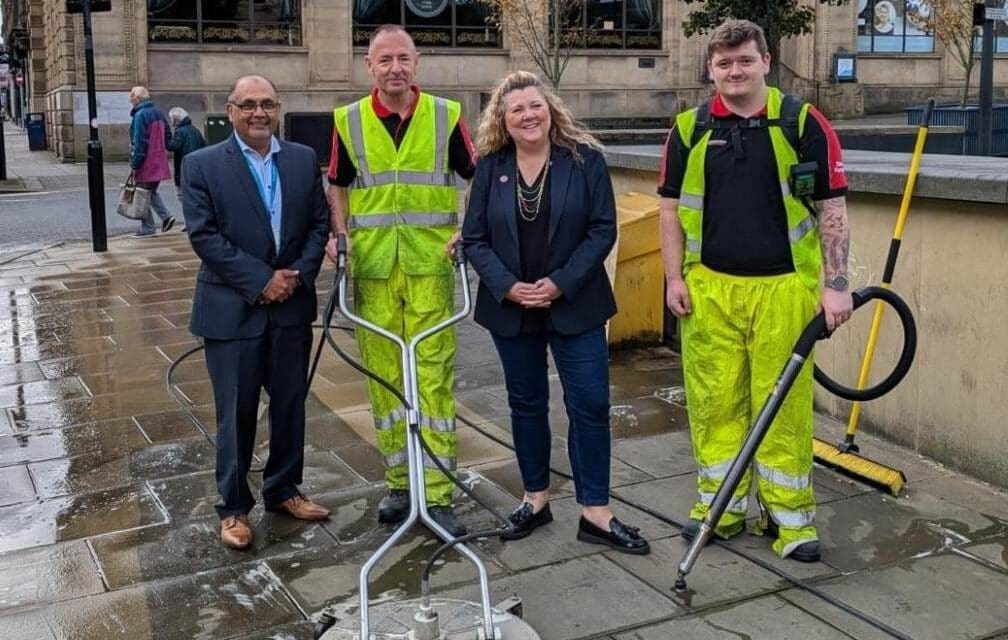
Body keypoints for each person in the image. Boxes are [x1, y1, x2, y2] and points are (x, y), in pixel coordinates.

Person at [658, 20, 852, 562]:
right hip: (710, 291)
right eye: (723, 63)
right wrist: (673, 278)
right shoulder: (689, 130)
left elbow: (832, 207)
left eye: (744, 60)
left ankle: (790, 519)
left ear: (766, 61)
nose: (734, 71)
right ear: (710, 70)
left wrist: (836, 287)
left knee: (783, 405)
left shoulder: (803, 124)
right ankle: (720, 508)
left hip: (784, 290)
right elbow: (670, 210)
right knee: (714, 403)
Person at [462, 71, 650, 555]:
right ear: (502, 119)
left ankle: (596, 512)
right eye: (517, 108)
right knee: (525, 405)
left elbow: (602, 229)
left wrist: (559, 283)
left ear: (551, 110)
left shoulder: (583, 161)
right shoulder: (490, 166)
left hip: (576, 304)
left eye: (535, 105)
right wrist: (509, 287)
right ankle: (535, 499)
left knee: (589, 405)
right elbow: (475, 238)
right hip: (512, 310)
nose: (528, 114)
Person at [324, 25, 476, 537]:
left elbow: (475, 176)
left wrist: (467, 231)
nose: (395, 68)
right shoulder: (347, 120)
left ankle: (436, 491)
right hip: (372, 268)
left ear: (418, 62)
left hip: (430, 265)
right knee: (385, 376)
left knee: (432, 374)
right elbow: (337, 184)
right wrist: (339, 235)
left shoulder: (445, 116)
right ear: (369, 66)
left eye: (403, 58)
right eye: (384, 59)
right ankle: (398, 483)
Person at [181, 74, 331, 550]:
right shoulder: (201, 164)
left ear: (278, 107)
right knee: (237, 411)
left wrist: (295, 276)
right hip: (233, 311)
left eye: (267, 103)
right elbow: (205, 237)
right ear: (231, 110)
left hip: (290, 307)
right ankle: (233, 508)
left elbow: (318, 224)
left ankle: (283, 489)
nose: (258, 113)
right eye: (248, 105)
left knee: (289, 405)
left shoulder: (304, 159)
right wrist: (261, 281)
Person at [128, 86, 176, 237]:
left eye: (131, 96)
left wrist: (135, 164)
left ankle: (148, 228)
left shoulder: (140, 115)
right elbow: (168, 135)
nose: (130, 99)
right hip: (159, 160)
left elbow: (139, 142)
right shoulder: (158, 112)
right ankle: (167, 217)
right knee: (151, 192)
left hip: (146, 162)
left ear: (138, 98)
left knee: (142, 194)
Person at [167, 107, 206, 199]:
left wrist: (167, 136)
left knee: (183, 196)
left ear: (175, 120)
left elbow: (172, 146)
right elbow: (204, 146)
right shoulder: (195, 130)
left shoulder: (180, 132)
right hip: (197, 166)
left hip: (184, 166)